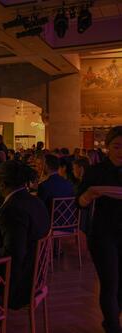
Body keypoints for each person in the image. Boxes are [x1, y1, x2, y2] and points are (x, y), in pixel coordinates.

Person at [77, 126, 122, 333]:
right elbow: (80, 203)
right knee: (110, 282)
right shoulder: (96, 172)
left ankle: (111, 319)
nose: (121, 151)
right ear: (108, 147)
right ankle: (112, 326)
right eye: (117, 146)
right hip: (103, 234)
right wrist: (89, 195)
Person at [0, 160, 50, 309]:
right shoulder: (36, 202)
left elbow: (14, 253)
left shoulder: (12, 210)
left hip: (18, 287)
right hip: (36, 278)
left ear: (2, 183)